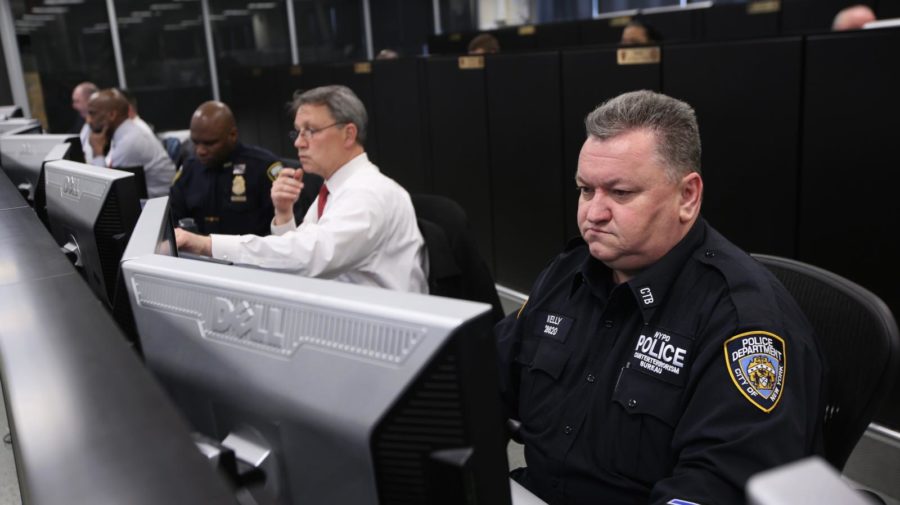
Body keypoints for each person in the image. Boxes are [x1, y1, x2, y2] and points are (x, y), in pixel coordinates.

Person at [495, 90, 825, 504]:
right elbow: (485, 379)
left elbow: (716, 489)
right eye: (585, 190)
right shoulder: (568, 274)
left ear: (687, 197)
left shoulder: (741, 321)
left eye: (620, 193)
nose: (593, 214)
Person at [175, 85, 428, 294]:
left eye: (311, 131)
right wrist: (284, 213)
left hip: (380, 330)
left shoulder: (368, 193)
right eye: (297, 132)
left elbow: (308, 258)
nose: (298, 142)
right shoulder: (334, 190)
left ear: (348, 134)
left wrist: (206, 245)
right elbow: (297, 257)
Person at [169, 101, 284, 237]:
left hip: (251, 249)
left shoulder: (263, 167)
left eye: (209, 143)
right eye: (195, 142)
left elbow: (286, 228)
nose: (200, 151)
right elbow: (171, 222)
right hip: (196, 250)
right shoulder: (189, 169)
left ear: (233, 135)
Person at [85, 88, 176, 198]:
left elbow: (105, 192)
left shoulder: (129, 142)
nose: (88, 120)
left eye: (92, 113)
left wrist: (97, 152)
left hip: (158, 204)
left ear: (112, 115)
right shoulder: (125, 134)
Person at [71, 81, 98, 158]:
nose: (74, 106)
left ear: (90, 100)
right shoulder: (83, 123)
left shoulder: (104, 127)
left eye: (77, 101)